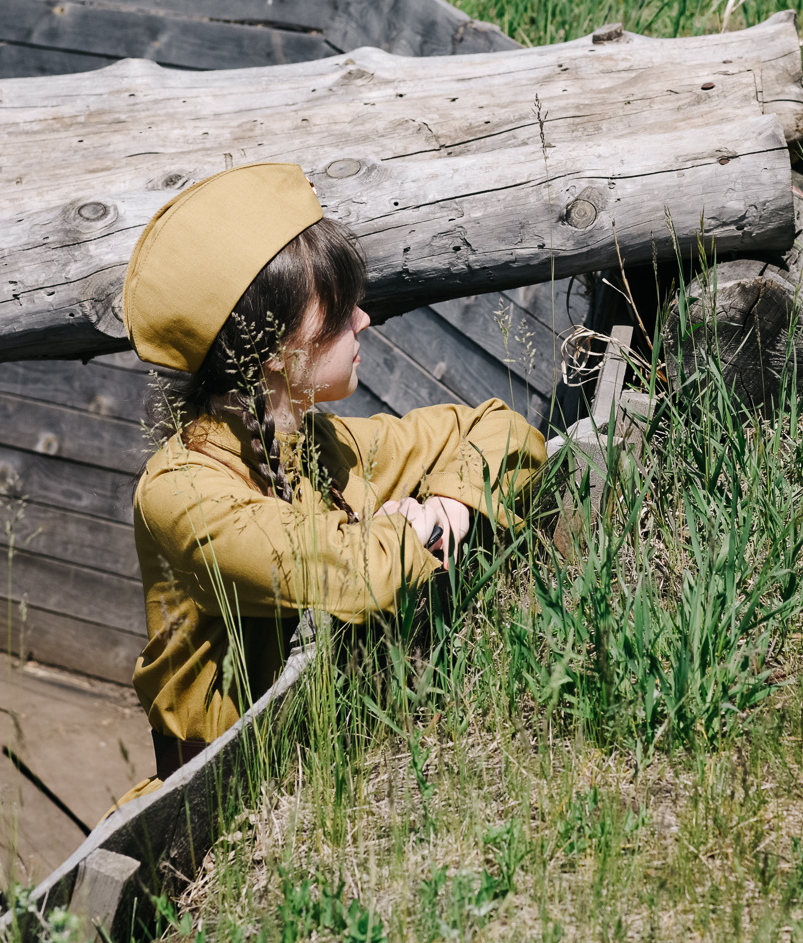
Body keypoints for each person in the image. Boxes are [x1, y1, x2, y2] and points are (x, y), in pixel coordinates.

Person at [119, 162, 547, 787]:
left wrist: (450, 509)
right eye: (340, 309)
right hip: (212, 812)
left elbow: (499, 425)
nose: (363, 321)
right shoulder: (183, 495)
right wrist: (412, 533)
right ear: (271, 351)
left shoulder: (323, 444)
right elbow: (361, 577)